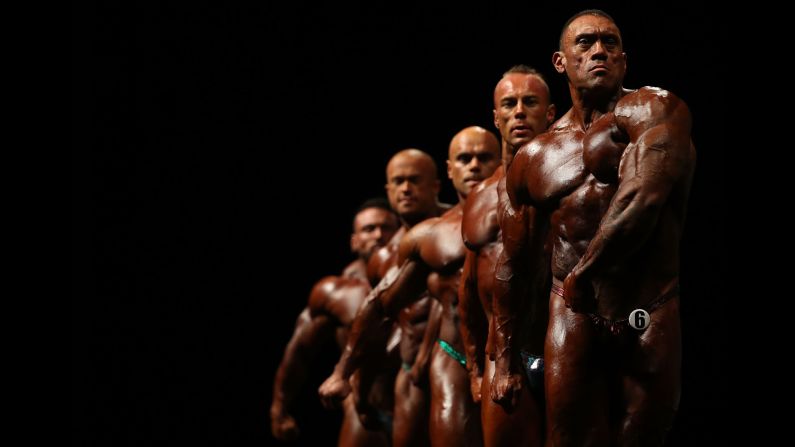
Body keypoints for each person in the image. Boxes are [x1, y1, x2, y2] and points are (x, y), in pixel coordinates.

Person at [498, 9, 696, 446]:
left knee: (643, 437)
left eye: (609, 43)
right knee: (568, 438)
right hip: (574, 312)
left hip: (649, 305)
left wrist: (585, 272)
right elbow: (514, 262)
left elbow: (643, 197)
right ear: (560, 61)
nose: (599, 51)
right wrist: (505, 358)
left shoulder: (655, 109)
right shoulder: (534, 157)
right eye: (585, 43)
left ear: (624, 59)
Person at [320, 126, 501, 447]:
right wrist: (342, 372)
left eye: (483, 157)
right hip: (453, 357)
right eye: (464, 158)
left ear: (500, 159)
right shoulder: (430, 235)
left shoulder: (526, 211)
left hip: (509, 352)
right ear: (449, 170)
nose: (473, 166)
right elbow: (380, 305)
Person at [458, 65, 555, 447]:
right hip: (502, 354)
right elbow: (467, 289)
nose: (519, 111)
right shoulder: (480, 199)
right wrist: (473, 371)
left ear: (550, 113)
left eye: (529, 102)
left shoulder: (573, 182)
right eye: (509, 104)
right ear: (495, 117)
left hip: (566, 345)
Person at [270, 198, 399, 446]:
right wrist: (279, 408)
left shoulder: (417, 279)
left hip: (414, 403)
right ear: (354, 241)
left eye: (386, 228)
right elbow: (300, 351)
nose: (378, 235)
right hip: (364, 412)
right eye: (369, 229)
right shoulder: (336, 292)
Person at [358, 148, 451, 447]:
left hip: (454, 364)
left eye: (414, 180)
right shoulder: (383, 258)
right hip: (410, 373)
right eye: (398, 182)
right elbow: (378, 325)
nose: (406, 189)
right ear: (388, 189)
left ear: (435, 185)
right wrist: (359, 388)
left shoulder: (456, 228)